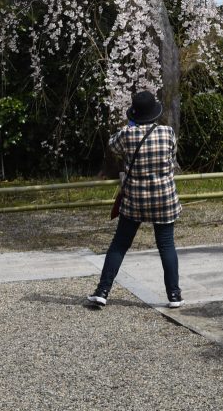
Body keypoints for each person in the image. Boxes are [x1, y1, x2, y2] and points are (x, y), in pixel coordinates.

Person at [87, 90, 182, 309]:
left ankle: (103, 290)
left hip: (135, 199)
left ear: (135, 114)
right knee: (166, 245)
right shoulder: (167, 133)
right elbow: (172, 157)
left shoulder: (127, 135)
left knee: (120, 245)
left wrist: (130, 125)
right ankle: (174, 295)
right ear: (155, 112)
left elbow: (112, 145)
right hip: (164, 197)